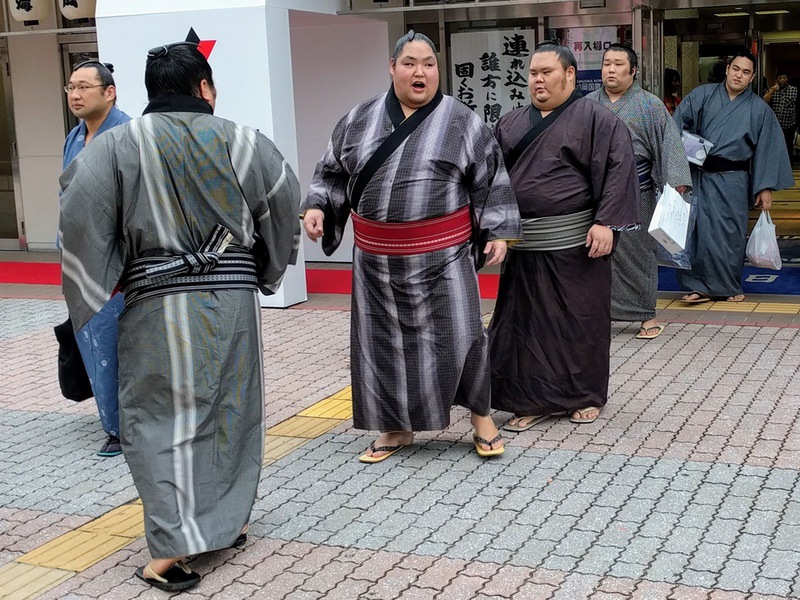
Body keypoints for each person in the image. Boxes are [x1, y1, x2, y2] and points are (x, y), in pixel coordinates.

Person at [59, 41, 300, 591]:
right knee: (231, 412)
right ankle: (213, 528)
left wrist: (106, 277)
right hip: (232, 303)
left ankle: (184, 540)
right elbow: (282, 205)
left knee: (158, 421)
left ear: (149, 90)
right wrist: (261, 271)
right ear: (204, 88)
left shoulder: (116, 147)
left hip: (155, 303)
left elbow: (78, 214)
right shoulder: (243, 141)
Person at [302, 30, 521, 463]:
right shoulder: (358, 119)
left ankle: (481, 417)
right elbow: (331, 173)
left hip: (444, 255)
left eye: (428, 64)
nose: (420, 73)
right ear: (392, 67)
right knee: (380, 342)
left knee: (463, 335)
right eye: (410, 64)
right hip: (376, 261)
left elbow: (490, 179)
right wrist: (318, 207)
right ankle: (396, 427)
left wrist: (496, 230)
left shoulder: (463, 121)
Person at [489, 42, 639, 431]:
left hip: (576, 243)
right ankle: (529, 400)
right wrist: (497, 229)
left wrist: (606, 222)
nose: (538, 80)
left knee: (579, 321)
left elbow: (619, 170)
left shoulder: (597, 119)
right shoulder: (510, 123)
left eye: (547, 73)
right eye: (533, 73)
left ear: (570, 75)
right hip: (525, 245)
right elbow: (493, 181)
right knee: (526, 324)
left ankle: (584, 395)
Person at [587, 44, 691, 340]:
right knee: (596, 257)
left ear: (633, 71)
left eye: (618, 64)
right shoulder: (588, 104)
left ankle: (646, 316)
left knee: (639, 256)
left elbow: (669, 144)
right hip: (596, 196)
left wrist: (676, 183)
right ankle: (599, 316)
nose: (610, 69)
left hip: (637, 193)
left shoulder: (649, 104)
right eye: (607, 63)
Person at [675, 51, 794, 304]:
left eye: (746, 72)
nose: (739, 75)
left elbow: (767, 148)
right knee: (697, 232)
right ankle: (698, 285)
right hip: (699, 176)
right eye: (736, 69)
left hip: (733, 179)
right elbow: (675, 128)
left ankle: (727, 285)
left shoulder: (758, 108)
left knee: (730, 233)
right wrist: (681, 168)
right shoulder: (702, 95)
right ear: (728, 69)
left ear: (751, 78)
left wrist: (765, 187)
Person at [62, 60, 131, 457]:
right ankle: (113, 422)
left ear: (110, 92)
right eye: (71, 87)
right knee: (92, 339)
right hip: (79, 257)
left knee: (120, 341)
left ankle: (123, 427)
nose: (75, 94)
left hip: (120, 260)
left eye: (85, 87)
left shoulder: (127, 133)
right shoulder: (73, 137)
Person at [763, 72, 798, 162]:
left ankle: (788, 164)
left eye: (784, 78)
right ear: (777, 80)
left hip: (790, 124)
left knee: (788, 145)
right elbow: (764, 101)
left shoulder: (794, 90)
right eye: (780, 78)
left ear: (787, 79)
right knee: (774, 145)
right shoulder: (772, 89)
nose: (782, 80)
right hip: (775, 124)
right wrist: (772, 91)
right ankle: (775, 163)